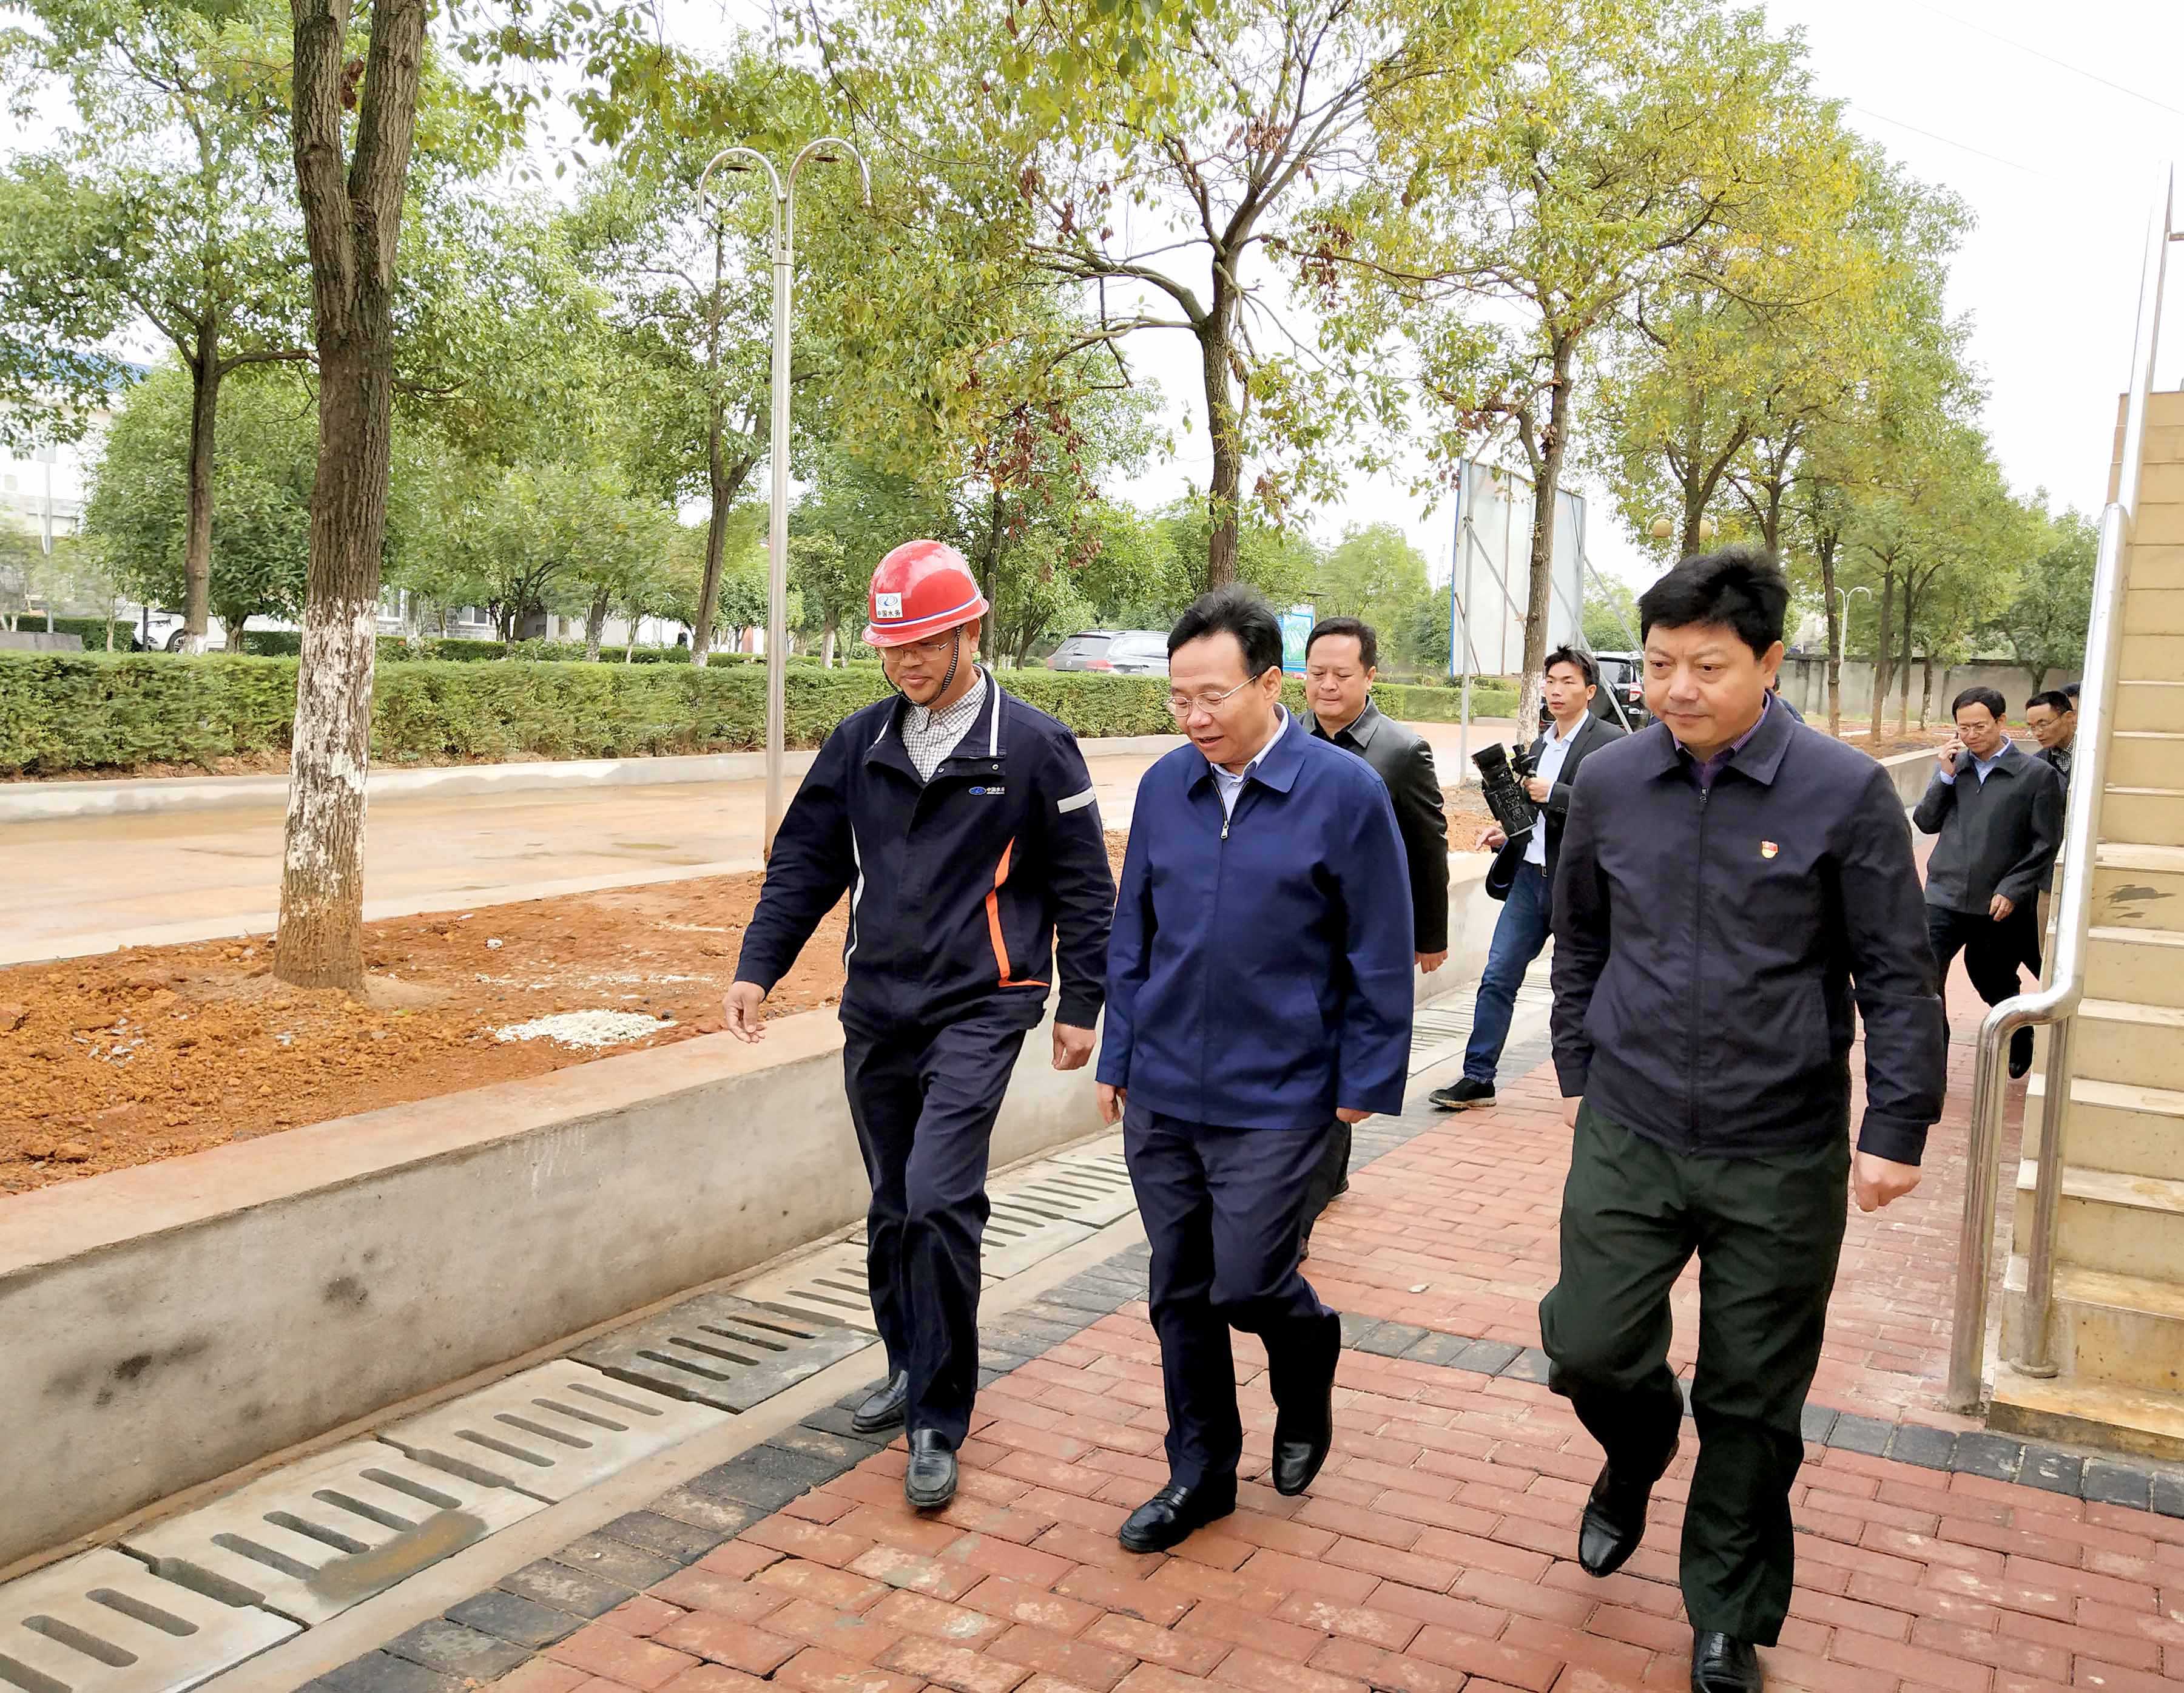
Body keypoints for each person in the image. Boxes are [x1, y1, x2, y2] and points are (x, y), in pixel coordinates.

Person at [1543, 548, 1946, 1693]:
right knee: (1588, 1344)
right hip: (1630, 1122)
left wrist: (1897, 1124)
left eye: (1708, 665)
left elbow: (1896, 971)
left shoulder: (1843, 791)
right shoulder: (1612, 781)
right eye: (1660, 663)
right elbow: (1581, 936)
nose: (1677, 688)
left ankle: (1726, 1614)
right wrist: (1578, 1065)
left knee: (1753, 1395)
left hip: (1781, 1144)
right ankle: (1635, 1448)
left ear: (1770, 662)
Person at [725, 540, 1114, 1512]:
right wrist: (757, 966)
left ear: (970, 631)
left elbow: (1083, 884)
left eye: (926, 643)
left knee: (940, 1197)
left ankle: (938, 1418)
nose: (906, 662)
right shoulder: (860, 741)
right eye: (893, 646)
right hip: (878, 1007)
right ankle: (907, 1360)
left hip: (982, 1004)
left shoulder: (1034, 747)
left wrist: (1083, 1002)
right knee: (895, 1203)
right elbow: (806, 862)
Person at [1097, 586, 1414, 1554]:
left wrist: (1366, 1077)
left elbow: (1379, 944)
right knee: (1179, 1287)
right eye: (1178, 698)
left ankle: (1306, 1347)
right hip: (1164, 1088)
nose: (1194, 717)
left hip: (1282, 1091)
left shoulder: (1344, 793)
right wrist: (1119, 1051)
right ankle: (1199, 1472)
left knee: (1247, 1280)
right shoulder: (1166, 787)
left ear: (1271, 684)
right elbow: (1134, 929)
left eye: (1213, 696)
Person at [1299, 615, 1449, 1245]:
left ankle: (1304, 1207)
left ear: (1370, 676)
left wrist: (1430, 936)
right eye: (1317, 673)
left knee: (1341, 1057)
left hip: (1366, 935)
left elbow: (1428, 846)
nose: (1327, 686)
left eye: (1341, 674)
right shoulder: (1286, 739)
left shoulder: (1400, 751)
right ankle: (1325, 1176)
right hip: (1302, 933)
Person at [1427, 648, 1625, 1112]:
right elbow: (1534, 815)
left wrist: (1555, 793)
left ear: (1590, 691)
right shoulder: (1538, 746)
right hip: (1527, 880)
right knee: (1498, 976)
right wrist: (1507, 832)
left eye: (1568, 682)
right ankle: (1478, 1078)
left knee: (1577, 986)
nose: (1556, 691)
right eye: (1550, 681)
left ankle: (1594, 1085)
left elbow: (1616, 809)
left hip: (1576, 885)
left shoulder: (1610, 745)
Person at [1913, 687, 2064, 1078]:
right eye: (1963, 728)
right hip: (1943, 894)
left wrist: (2013, 888)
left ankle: (2020, 1033)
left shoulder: (2036, 775)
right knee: (1924, 975)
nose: (1970, 735)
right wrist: (1944, 777)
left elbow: (2046, 843)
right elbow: (1925, 822)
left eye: (1979, 726)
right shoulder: (1955, 768)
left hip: (1997, 901)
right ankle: (1933, 1061)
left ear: (2000, 722)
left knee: (1991, 978)